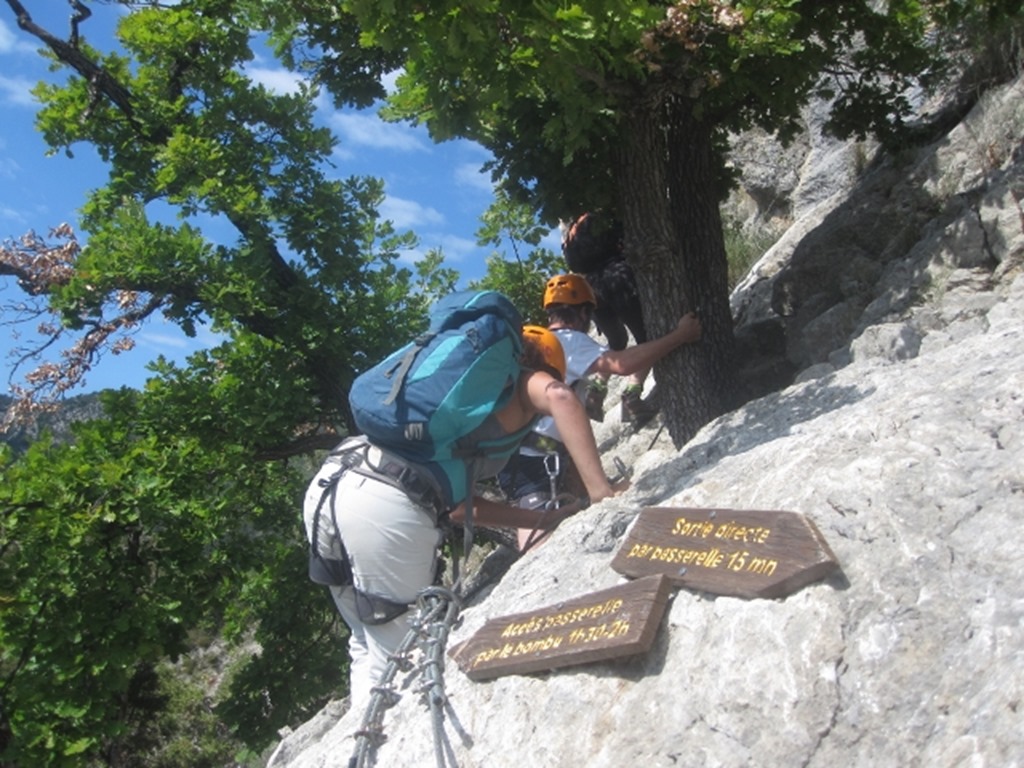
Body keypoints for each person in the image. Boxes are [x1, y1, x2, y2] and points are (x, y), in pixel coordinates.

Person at [302, 324, 628, 711]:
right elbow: (558, 395)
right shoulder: (523, 381)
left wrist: (537, 517)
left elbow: (458, 508)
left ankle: (360, 737)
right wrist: (600, 493)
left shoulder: (451, 412)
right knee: (404, 660)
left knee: (364, 639)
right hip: (386, 505)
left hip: (334, 482)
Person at [499, 273, 701, 506]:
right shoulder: (569, 339)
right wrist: (680, 336)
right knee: (540, 536)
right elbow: (622, 364)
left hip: (516, 458)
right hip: (538, 464)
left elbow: (563, 432)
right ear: (584, 313)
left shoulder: (533, 344)